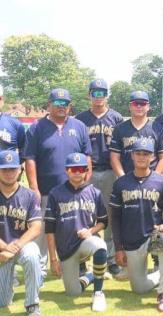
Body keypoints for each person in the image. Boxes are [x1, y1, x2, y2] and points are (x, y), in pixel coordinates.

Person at [23, 88, 92, 277]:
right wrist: (34, 188)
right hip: (46, 190)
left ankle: (78, 265)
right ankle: (40, 269)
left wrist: (86, 183)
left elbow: (87, 157)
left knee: (74, 227)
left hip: (73, 190)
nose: (62, 107)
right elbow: (30, 158)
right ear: (49, 105)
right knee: (43, 231)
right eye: (58, 103)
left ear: (70, 106)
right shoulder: (37, 127)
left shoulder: (79, 126)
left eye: (65, 104)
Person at [109, 139, 163, 312]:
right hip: (131, 241)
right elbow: (115, 218)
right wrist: (118, 248)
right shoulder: (121, 183)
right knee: (139, 289)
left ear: (152, 157)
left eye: (145, 154)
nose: (141, 157)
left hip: (153, 237)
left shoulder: (161, 181)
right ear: (131, 155)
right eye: (138, 153)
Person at [45, 153, 108, 312]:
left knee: (100, 246)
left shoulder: (94, 193)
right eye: (74, 169)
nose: (78, 172)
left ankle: (98, 293)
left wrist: (91, 231)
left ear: (87, 171)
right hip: (66, 250)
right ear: (67, 170)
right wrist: (53, 259)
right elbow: (49, 229)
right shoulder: (55, 193)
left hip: (85, 242)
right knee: (73, 292)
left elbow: (103, 221)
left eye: (81, 169)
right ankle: (92, 276)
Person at [76, 79, 125, 278]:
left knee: (111, 216)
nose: (99, 97)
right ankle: (82, 259)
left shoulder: (116, 118)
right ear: (89, 95)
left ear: (107, 95)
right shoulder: (80, 119)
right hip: (86, 172)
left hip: (111, 171)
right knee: (84, 215)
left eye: (102, 93)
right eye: (95, 93)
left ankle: (111, 259)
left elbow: (122, 147)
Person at [0, 150, 43, 316]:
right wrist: (4, 248)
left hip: (22, 246)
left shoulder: (29, 196)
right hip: (1, 251)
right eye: (4, 169)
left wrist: (16, 246)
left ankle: (32, 303)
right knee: (2, 302)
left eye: (13, 169)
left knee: (32, 254)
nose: (9, 173)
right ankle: (9, 281)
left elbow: (36, 227)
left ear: (20, 170)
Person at [109, 90, 163, 177]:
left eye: (142, 103)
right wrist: (122, 177)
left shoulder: (158, 128)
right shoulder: (120, 128)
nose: (139, 106)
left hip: (152, 178)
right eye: (135, 103)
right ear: (130, 106)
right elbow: (114, 157)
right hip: (127, 177)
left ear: (148, 106)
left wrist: (155, 178)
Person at [0, 85, 26, 153]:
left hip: (7, 162)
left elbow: (24, 150)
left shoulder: (16, 124)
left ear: (2, 100)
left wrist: (15, 162)